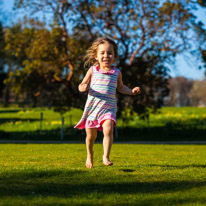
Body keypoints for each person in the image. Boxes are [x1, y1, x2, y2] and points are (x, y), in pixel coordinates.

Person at [74, 37, 141, 168]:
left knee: (108, 129)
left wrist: (132, 91)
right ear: (96, 56)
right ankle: (90, 154)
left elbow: (121, 87)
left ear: (114, 56)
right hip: (93, 109)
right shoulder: (93, 70)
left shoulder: (116, 73)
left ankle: (106, 156)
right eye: (102, 53)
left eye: (110, 53)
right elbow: (83, 83)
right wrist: (82, 87)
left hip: (108, 109)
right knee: (90, 137)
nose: (106, 56)